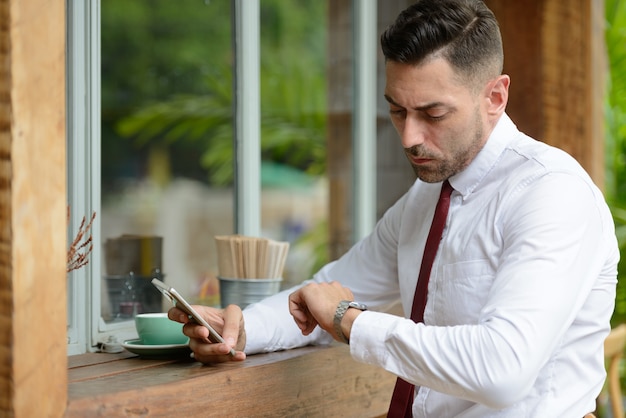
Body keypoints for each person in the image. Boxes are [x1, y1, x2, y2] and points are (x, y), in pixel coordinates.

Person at [169, 0, 619, 416]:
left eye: (433, 114)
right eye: (398, 111)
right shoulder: (427, 197)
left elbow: (503, 369)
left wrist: (351, 322)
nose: (408, 137)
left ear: (495, 98)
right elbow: (327, 290)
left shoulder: (552, 194)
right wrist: (240, 329)